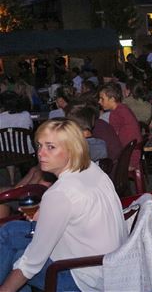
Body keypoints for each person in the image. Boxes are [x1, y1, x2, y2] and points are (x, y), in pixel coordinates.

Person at [0, 119, 127, 291]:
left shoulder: (60, 194)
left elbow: (30, 264)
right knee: (10, 230)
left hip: (84, 279)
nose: (41, 153)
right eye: (39, 145)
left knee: (19, 258)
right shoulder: (91, 169)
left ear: (71, 149)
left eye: (50, 147)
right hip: (109, 265)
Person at [99, 82, 142, 169]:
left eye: (102, 99)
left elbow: (112, 139)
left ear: (112, 99)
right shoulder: (123, 108)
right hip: (135, 152)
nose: (99, 101)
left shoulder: (115, 114)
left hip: (128, 157)